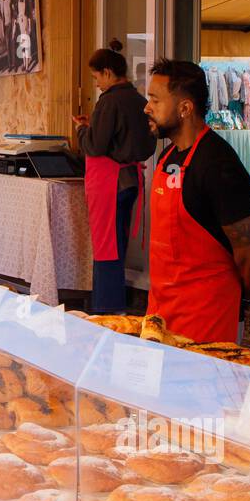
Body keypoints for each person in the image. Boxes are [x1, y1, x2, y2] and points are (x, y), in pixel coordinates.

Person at [143, 59, 250, 344]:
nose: (146, 108)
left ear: (185, 108)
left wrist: (246, 298)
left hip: (207, 325)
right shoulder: (167, 158)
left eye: (155, 100)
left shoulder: (219, 165)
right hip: (160, 318)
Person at [73, 41, 155, 314]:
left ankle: (107, 308)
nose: (96, 83)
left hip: (110, 184)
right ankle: (114, 305)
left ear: (108, 73)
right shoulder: (141, 101)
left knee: (107, 246)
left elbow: (95, 146)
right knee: (118, 243)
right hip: (131, 180)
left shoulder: (109, 101)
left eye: (96, 77)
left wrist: (83, 130)